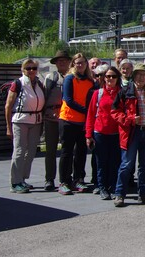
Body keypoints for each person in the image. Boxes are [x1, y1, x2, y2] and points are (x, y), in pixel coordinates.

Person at [112, 63, 145, 207]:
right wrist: (129, 120)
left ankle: (144, 194)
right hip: (132, 133)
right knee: (126, 165)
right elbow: (115, 112)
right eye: (139, 74)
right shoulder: (125, 91)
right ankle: (120, 194)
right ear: (134, 76)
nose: (141, 77)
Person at [5, 59, 45, 193]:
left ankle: (22, 179)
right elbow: (8, 106)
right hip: (20, 119)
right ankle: (15, 182)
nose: (31, 71)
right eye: (28, 68)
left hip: (36, 120)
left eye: (34, 68)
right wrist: (8, 127)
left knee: (31, 151)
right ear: (23, 70)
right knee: (19, 151)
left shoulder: (39, 83)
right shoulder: (18, 83)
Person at [58, 53, 95, 195]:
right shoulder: (69, 79)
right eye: (77, 63)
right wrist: (86, 111)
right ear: (73, 64)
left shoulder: (89, 81)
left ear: (86, 64)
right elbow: (68, 99)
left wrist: (88, 114)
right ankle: (64, 181)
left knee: (81, 151)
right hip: (68, 120)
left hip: (83, 122)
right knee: (67, 152)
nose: (80, 65)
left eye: (82, 63)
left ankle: (78, 179)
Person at [85, 66, 122, 200]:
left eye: (113, 76)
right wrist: (88, 135)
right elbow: (90, 115)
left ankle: (113, 187)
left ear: (118, 79)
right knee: (101, 163)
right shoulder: (98, 93)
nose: (110, 79)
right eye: (108, 76)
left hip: (116, 133)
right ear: (103, 78)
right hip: (100, 132)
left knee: (114, 162)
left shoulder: (121, 93)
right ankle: (102, 187)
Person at [43, 50, 71, 191]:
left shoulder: (73, 77)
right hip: (52, 118)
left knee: (67, 150)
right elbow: (44, 97)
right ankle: (49, 179)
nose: (62, 62)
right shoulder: (50, 77)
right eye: (59, 60)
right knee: (51, 150)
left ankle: (66, 178)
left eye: (64, 60)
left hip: (67, 118)